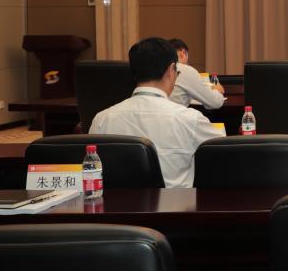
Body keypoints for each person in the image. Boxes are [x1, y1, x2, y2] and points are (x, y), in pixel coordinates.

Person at [90, 37, 224, 188]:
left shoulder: (102, 119)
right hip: (176, 203)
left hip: (118, 203)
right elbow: (226, 152)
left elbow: (91, 170)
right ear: (171, 70)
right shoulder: (190, 119)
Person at [168, 38, 225, 110]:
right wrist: (217, 90)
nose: (187, 62)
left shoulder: (160, 69)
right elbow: (215, 102)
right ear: (183, 53)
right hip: (176, 115)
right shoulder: (185, 70)